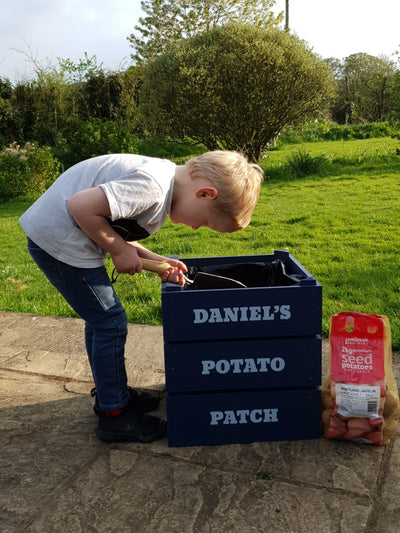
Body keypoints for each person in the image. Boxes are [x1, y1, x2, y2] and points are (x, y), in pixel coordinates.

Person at [19, 150, 263, 443]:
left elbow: (116, 225)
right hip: (59, 243)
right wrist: (118, 251)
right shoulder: (154, 187)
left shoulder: (162, 182)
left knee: (101, 321)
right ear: (205, 194)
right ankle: (114, 416)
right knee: (110, 323)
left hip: (64, 239)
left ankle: (113, 394)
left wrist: (157, 260)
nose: (198, 227)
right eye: (207, 222)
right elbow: (80, 206)